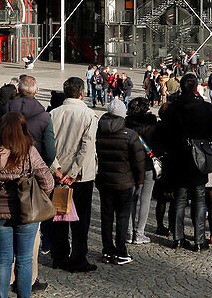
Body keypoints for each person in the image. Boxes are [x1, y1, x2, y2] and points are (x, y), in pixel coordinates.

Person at [0, 113, 54, 298]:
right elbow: (47, 181)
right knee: (25, 259)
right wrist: (40, 196)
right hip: (27, 211)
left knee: (3, 258)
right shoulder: (28, 150)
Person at [156, 72, 212, 251]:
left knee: (180, 198)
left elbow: (165, 134)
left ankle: (178, 238)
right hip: (198, 157)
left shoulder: (172, 108)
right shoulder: (206, 107)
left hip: (177, 158)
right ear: (195, 88)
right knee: (199, 198)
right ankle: (199, 240)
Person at [49, 77, 98, 273]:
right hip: (80, 176)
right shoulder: (88, 115)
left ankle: (59, 256)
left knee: (58, 216)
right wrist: (73, 172)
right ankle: (78, 257)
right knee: (81, 220)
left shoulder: (53, 114)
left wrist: (56, 169)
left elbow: (48, 144)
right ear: (82, 93)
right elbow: (86, 147)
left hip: (58, 174)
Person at [95, 98, 146, 267]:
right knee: (122, 217)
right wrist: (140, 181)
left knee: (106, 216)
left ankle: (107, 251)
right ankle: (121, 251)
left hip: (104, 180)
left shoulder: (99, 131)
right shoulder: (130, 135)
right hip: (124, 181)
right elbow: (139, 161)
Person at [124, 96, 158, 245]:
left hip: (131, 164)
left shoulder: (127, 123)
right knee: (145, 199)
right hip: (148, 164)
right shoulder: (152, 124)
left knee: (131, 198)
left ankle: (129, 230)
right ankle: (140, 232)